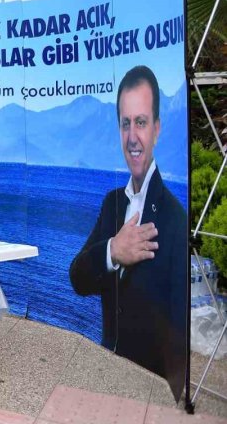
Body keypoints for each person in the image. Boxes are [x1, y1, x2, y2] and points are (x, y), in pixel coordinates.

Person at [69, 65, 187, 400]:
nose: (132, 136)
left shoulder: (175, 220)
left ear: (157, 129)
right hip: (108, 375)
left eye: (141, 122)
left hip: (150, 390)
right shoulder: (112, 204)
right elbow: (78, 279)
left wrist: (169, 397)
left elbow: (177, 330)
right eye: (125, 123)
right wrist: (111, 252)